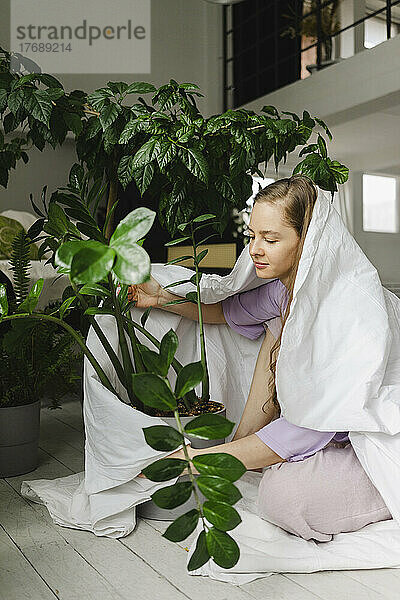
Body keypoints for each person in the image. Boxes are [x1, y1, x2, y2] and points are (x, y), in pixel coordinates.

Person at [128, 175, 392, 541]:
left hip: (380, 436)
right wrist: (159, 298)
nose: (254, 249)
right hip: (332, 434)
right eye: (252, 236)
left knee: (283, 499)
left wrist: (197, 460)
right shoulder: (282, 293)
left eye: (271, 239)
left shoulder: (345, 310)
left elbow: (307, 427)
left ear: (309, 241)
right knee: (275, 328)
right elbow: (226, 312)